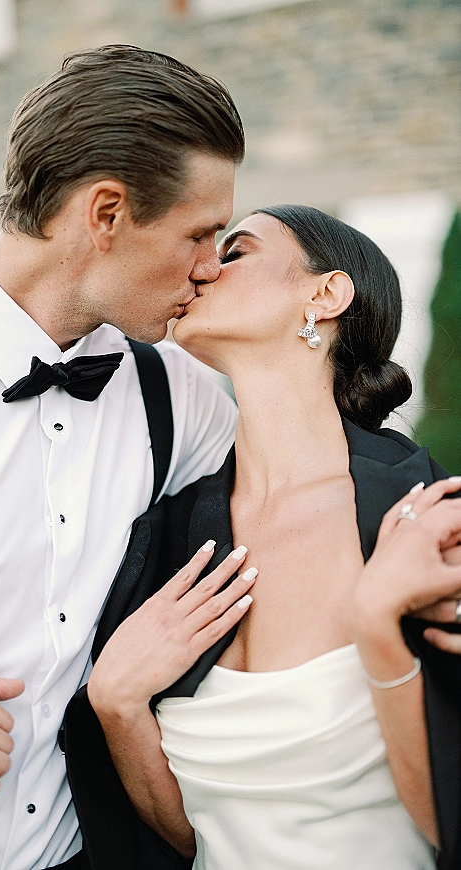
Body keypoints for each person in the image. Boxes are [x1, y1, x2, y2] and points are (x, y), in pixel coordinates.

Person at [0, 46, 246, 870]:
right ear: (107, 212)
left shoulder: (177, 393)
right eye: (200, 232)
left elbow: (315, 489)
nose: (210, 266)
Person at [82, 205, 461, 870]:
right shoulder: (165, 537)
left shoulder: (426, 516)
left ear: (324, 294)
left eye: (236, 250)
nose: (201, 269)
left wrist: (376, 623)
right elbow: (197, 839)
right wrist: (117, 708)